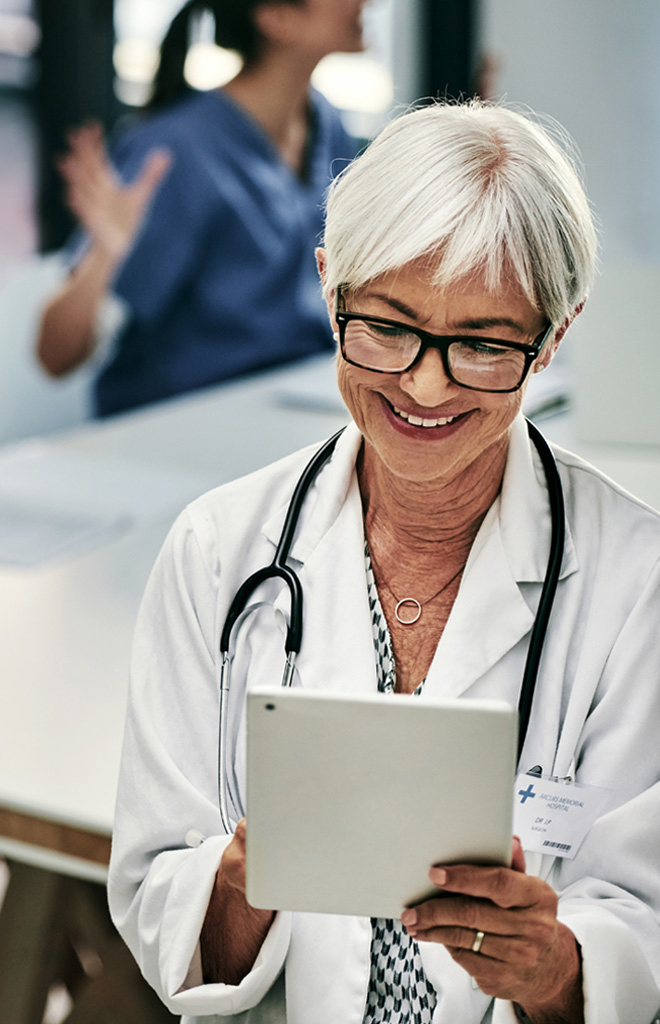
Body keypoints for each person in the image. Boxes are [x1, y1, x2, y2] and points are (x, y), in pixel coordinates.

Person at [107, 99, 660, 1023]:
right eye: (388, 326)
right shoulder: (219, 550)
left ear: (554, 338)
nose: (426, 383)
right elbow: (157, 896)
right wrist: (260, 862)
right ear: (330, 290)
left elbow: (641, 927)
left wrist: (555, 968)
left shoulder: (637, 584)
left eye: (483, 345)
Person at [36, 0, 363, 417]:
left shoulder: (326, 126)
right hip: (176, 425)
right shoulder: (174, 153)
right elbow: (56, 357)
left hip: (286, 410)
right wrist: (103, 256)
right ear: (275, 17)